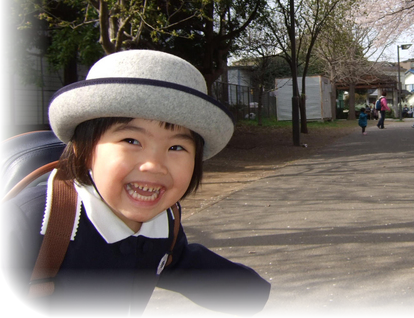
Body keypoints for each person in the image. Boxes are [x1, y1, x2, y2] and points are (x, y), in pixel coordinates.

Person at [0, 50, 270, 318]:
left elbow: (179, 264)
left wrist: (252, 295)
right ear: (85, 149)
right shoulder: (27, 227)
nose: (154, 165)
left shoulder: (164, 224)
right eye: (131, 141)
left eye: (176, 147)